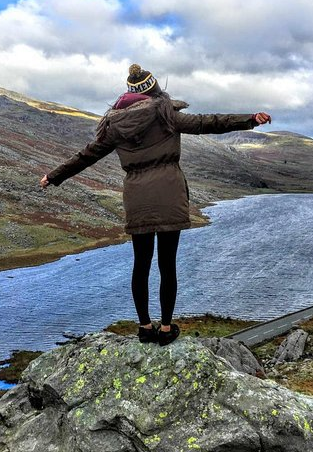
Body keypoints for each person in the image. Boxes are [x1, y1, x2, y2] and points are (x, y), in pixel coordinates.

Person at [40, 64, 271, 346]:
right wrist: (249, 119)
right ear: (154, 88)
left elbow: (85, 156)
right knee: (167, 264)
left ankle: (144, 327)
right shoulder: (167, 115)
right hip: (169, 194)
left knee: (141, 264)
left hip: (137, 198)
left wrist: (53, 177)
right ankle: (165, 328)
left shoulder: (113, 126)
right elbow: (208, 122)